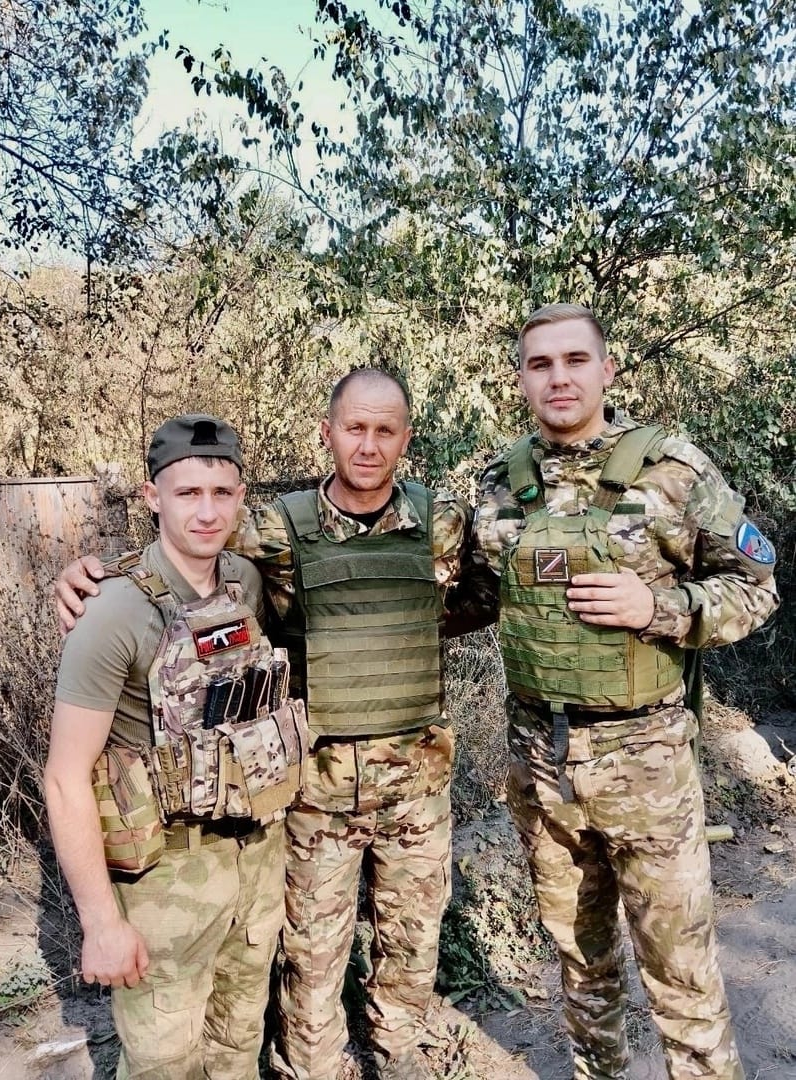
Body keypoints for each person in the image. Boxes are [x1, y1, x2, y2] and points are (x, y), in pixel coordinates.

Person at [54, 370, 494, 1080]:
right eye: (354, 427)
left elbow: (488, 591)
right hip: (288, 804)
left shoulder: (438, 523)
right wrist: (88, 574)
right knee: (294, 972)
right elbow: (179, 550)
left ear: (406, 439)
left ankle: (397, 1055)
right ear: (327, 433)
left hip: (376, 798)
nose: (369, 445)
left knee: (383, 961)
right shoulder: (270, 531)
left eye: (385, 430)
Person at [474, 303, 779, 1079]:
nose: (558, 377)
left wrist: (659, 608)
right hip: (540, 766)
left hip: (647, 766)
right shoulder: (498, 483)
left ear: (606, 370)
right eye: (539, 364)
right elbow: (469, 596)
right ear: (520, 380)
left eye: (574, 360)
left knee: (680, 978)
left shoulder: (673, 470)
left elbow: (756, 588)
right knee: (581, 967)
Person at [45, 414, 307, 1080]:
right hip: (165, 883)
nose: (206, 511)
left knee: (237, 1047)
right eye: (187, 493)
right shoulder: (113, 612)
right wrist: (102, 923)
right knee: (164, 1064)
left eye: (222, 493)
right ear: (151, 496)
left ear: (241, 497)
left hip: (256, 862)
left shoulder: (245, 582)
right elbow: (65, 779)